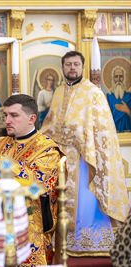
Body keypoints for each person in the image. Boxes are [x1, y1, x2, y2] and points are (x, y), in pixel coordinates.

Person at [40, 51, 130, 257]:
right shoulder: (59, 92)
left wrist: (80, 139)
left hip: (85, 157)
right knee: (63, 198)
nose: (72, 68)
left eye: (76, 64)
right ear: (63, 68)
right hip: (61, 156)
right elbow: (51, 122)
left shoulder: (93, 93)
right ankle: (64, 240)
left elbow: (102, 129)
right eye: (68, 64)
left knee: (85, 199)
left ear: (82, 67)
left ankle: (90, 242)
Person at [0, 94, 63, 266]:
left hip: (31, 230)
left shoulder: (47, 149)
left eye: (14, 115)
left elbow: (39, 183)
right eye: (5, 115)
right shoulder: (1, 143)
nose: (8, 120)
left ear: (31, 118)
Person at [106, 65, 131, 132]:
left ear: (124, 78)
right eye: (116, 76)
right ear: (113, 79)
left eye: (121, 76)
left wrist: (127, 111)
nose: (119, 79)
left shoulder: (129, 96)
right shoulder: (108, 97)